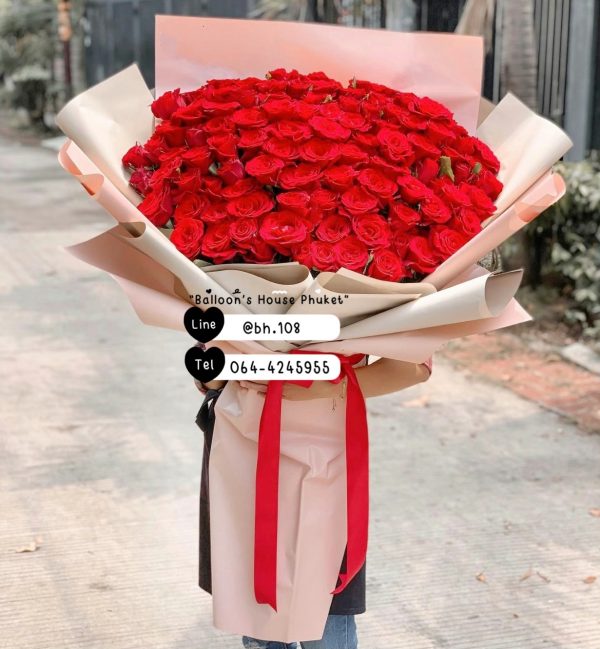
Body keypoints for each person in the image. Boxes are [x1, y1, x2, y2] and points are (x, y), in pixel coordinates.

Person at [195, 354, 433, 649]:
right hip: (244, 444)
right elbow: (212, 374)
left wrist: (330, 384)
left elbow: (414, 366)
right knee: (258, 609)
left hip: (325, 451)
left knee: (324, 610)